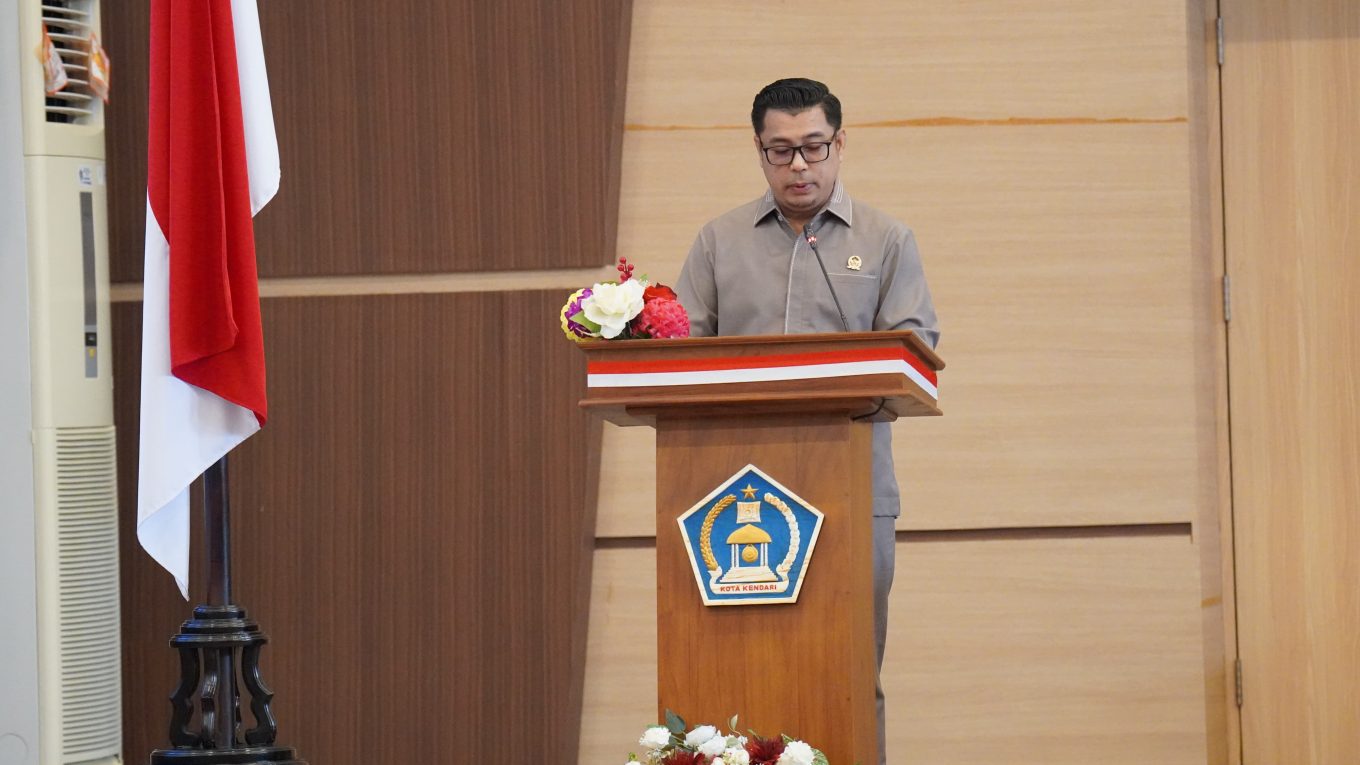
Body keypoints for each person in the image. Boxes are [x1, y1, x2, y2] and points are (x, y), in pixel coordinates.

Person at [675, 77, 940, 765]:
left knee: (848, 666)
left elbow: (915, 355)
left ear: (840, 144)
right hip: (731, 498)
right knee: (738, 665)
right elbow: (676, 355)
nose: (799, 165)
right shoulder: (719, 242)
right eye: (781, 150)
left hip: (852, 490)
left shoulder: (885, 240)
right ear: (759, 150)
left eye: (814, 147)